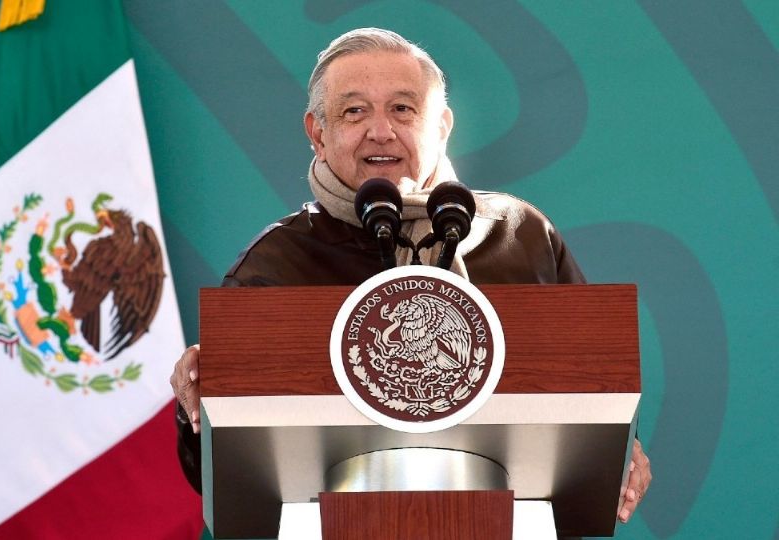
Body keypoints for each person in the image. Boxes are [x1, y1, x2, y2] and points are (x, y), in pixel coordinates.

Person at [170, 27, 651, 524]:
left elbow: (588, 386)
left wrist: (622, 450)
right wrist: (198, 416)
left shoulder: (518, 234)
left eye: (403, 108)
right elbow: (214, 473)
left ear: (441, 125)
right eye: (354, 111)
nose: (381, 130)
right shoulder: (276, 265)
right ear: (317, 132)